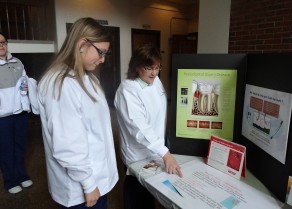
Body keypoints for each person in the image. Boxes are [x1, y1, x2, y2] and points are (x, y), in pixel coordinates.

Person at [37, 17, 118, 209]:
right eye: (100, 52)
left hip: (96, 177)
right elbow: (67, 143)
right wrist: (88, 183)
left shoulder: (86, 77)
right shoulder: (62, 83)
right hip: (81, 187)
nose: (103, 59)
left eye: (105, 53)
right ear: (82, 44)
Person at [114, 43, 183, 209]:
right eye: (149, 68)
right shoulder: (128, 90)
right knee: (136, 193)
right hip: (136, 153)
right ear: (137, 67)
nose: (154, 72)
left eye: (157, 67)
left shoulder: (155, 81)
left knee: (148, 194)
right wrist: (165, 154)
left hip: (154, 149)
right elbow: (139, 128)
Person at [0, 32, 36, 194]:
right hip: (3, 117)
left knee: (20, 146)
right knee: (6, 148)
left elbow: (24, 81)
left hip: (20, 113)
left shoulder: (17, 62)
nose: (2, 45)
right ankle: (10, 180)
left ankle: (21, 175)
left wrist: (26, 86)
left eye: (4, 42)